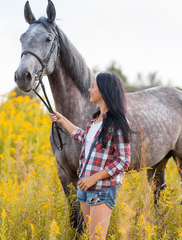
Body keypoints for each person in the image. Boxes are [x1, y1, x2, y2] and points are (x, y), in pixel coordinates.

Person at [48, 72, 131, 239]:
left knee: (96, 238)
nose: (89, 89)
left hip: (102, 189)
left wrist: (94, 178)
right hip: (85, 188)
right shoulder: (95, 120)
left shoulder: (119, 123)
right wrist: (62, 120)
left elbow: (123, 161)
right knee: (90, 236)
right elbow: (84, 138)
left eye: (93, 86)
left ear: (104, 91)